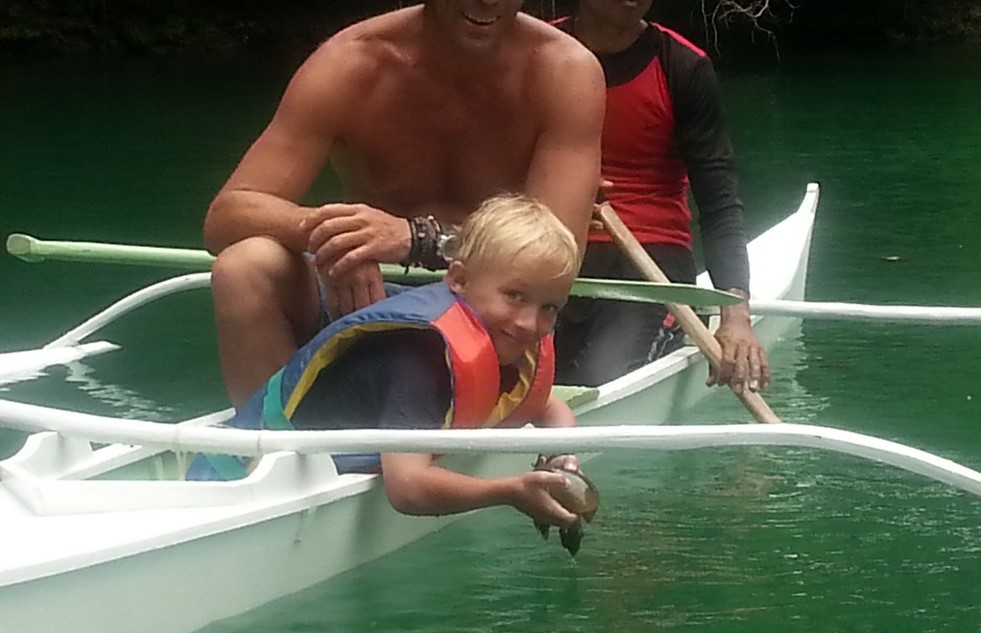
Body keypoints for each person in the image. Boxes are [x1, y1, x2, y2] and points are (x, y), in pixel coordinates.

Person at [203, 1, 605, 407]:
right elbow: (227, 215)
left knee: (523, 290)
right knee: (244, 265)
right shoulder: (351, 62)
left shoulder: (564, 70)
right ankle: (274, 447)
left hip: (488, 310)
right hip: (362, 299)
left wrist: (419, 239)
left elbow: (558, 255)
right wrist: (342, 235)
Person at [190, 194, 590, 531]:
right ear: (459, 280)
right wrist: (510, 491)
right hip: (229, 489)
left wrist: (561, 458)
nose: (529, 323)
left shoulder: (498, 334)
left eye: (549, 307)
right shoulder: (421, 358)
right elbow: (409, 488)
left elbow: (548, 406)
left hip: (276, 478)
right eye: (515, 296)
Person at [551, 0, 769, 395]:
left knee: (598, 378)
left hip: (651, 263)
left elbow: (719, 203)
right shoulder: (537, 52)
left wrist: (735, 315)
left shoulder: (683, 66)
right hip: (549, 249)